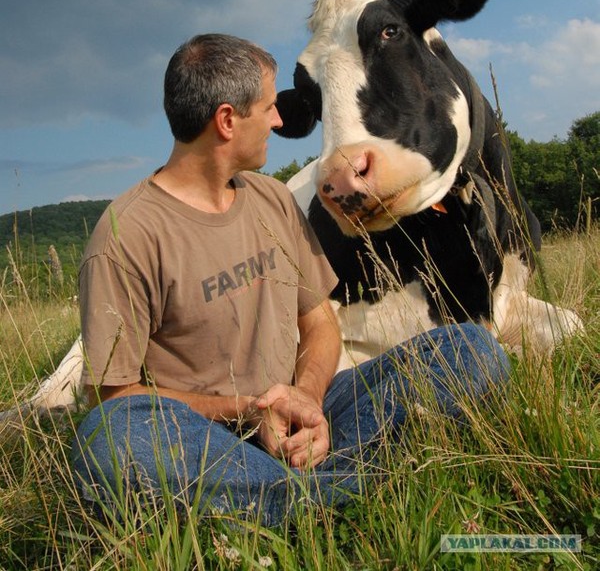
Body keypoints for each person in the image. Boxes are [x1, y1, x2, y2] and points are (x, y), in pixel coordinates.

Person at [71, 33, 510, 528]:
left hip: (306, 410)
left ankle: (297, 491)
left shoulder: (273, 200)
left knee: (473, 350)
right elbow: (114, 398)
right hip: (205, 437)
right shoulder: (125, 235)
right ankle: (336, 493)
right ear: (227, 121)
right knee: (107, 439)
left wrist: (306, 398)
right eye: (269, 107)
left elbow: (319, 319)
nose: (280, 120)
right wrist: (248, 410)